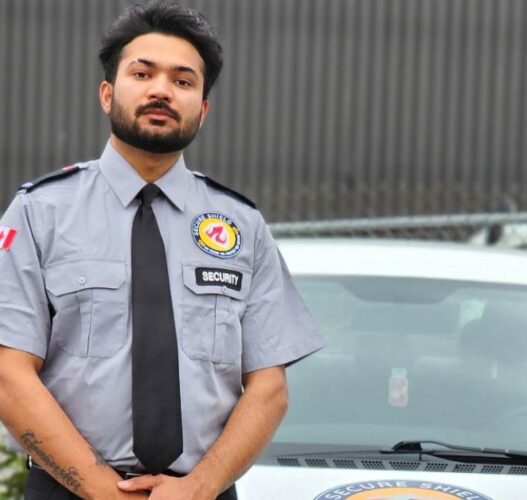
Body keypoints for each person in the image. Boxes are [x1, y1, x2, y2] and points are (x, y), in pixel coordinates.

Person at [0, 1, 324, 498]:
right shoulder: (39, 213)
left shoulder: (242, 224)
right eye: (142, 73)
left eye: (183, 81)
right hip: (67, 488)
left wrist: (200, 487)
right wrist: (98, 488)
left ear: (203, 108)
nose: (161, 90)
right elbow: (8, 373)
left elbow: (269, 387)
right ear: (107, 93)